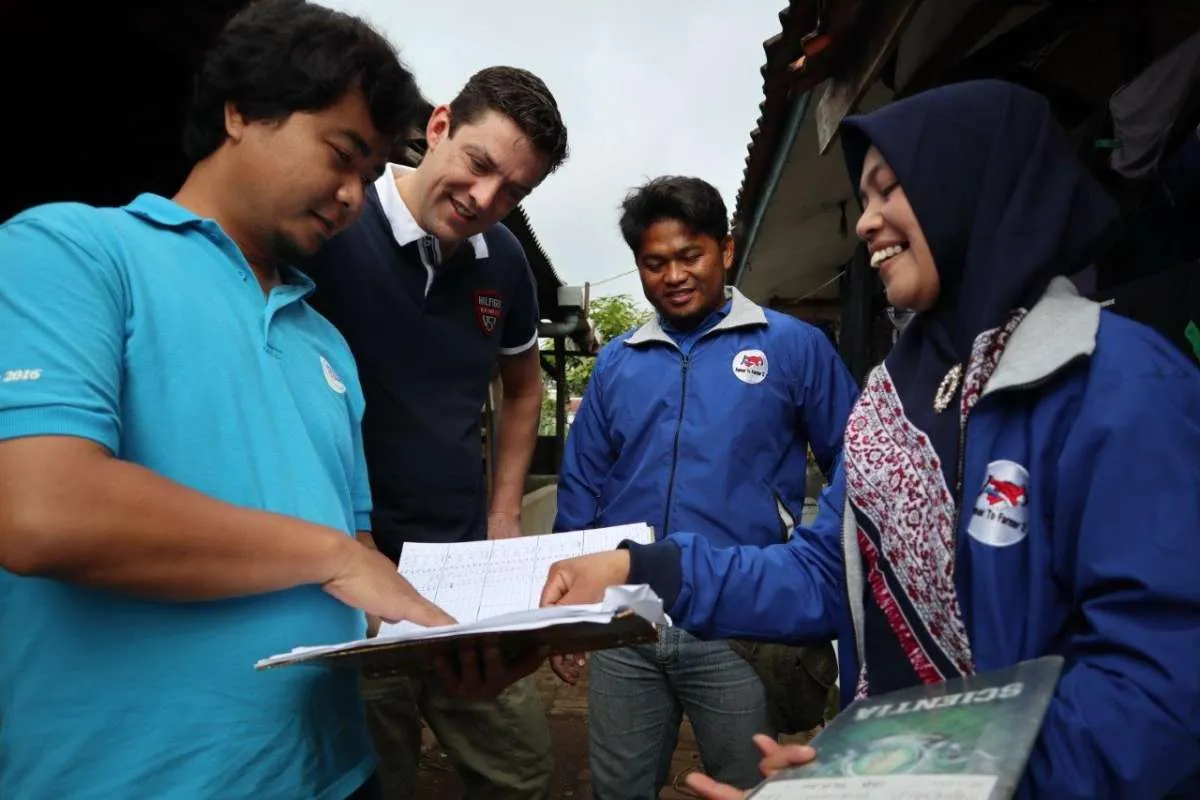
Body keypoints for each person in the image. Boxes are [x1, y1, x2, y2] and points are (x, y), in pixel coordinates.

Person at [540, 80, 1200, 799]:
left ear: (972, 187)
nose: (866, 222)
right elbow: (833, 574)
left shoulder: (1117, 383)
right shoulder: (893, 397)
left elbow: (1159, 689)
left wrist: (923, 780)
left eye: (891, 190)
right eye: (866, 197)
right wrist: (653, 569)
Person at [0, 2, 480, 798]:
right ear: (242, 110)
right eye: (341, 154)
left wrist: (443, 647)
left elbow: (360, 583)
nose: (354, 196)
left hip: (335, 771)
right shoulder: (68, 252)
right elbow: (43, 510)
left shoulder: (328, 346)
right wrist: (331, 554)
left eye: (368, 177)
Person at [302, 65, 569, 799]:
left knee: (520, 768)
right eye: (480, 165)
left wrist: (504, 515)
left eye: (514, 190)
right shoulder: (333, 222)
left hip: (459, 574)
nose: (487, 200)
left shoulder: (506, 263)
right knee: (374, 771)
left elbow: (522, 387)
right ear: (441, 125)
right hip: (341, 576)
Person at [550, 175, 857, 797]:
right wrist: (568, 616)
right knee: (619, 790)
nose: (674, 276)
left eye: (690, 256)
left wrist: (807, 572)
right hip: (626, 620)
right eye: (654, 263)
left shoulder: (794, 347)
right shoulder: (617, 361)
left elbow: (860, 470)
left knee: (746, 787)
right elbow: (581, 486)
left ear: (726, 249)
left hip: (740, 627)